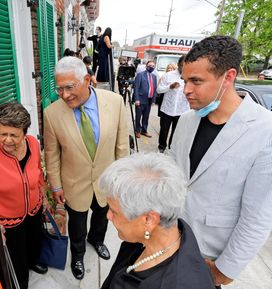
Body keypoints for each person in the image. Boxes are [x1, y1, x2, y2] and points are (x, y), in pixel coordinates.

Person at [171, 35, 272, 288]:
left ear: (227, 77)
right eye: (184, 80)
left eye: (196, 81)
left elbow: (257, 216)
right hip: (169, 245)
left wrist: (223, 271)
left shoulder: (265, 131)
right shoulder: (186, 120)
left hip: (208, 260)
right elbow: (172, 173)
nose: (186, 90)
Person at [44, 56, 129, 280]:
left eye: (69, 87)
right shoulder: (51, 114)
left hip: (106, 181)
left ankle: (97, 240)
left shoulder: (115, 102)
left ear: (88, 80)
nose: (64, 95)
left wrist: (121, 180)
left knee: (102, 217)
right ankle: (78, 254)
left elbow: (122, 146)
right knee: (77, 225)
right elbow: (51, 154)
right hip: (74, 183)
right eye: (59, 89)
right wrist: (55, 186)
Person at [99, 153, 215, 289]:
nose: (108, 216)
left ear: (149, 220)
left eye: (114, 211)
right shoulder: (141, 239)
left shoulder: (177, 283)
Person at [0, 102, 48, 289]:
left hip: (34, 208)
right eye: (2, 133)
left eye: (14, 135)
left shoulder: (32, 143)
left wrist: (43, 196)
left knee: (34, 241)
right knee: (16, 259)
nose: (7, 140)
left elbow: (38, 172)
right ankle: (21, 283)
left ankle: (34, 261)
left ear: (24, 133)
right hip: (8, 218)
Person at [157, 57, 189, 153]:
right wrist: (169, 87)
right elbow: (159, 89)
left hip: (182, 110)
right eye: (182, 65)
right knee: (164, 131)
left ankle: (172, 149)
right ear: (178, 64)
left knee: (177, 132)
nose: (183, 68)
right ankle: (161, 148)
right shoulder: (168, 75)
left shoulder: (190, 76)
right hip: (167, 109)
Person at [133, 60, 157, 138]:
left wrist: (153, 100)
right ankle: (137, 130)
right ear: (146, 66)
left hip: (149, 100)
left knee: (146, 117)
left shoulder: (154, 77)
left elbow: (154, 89)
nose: (151, 67)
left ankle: (144, 130)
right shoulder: (140, 75)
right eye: (150, 65)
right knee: (138, 116)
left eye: (153, 66)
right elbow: (136, 88)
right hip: (140, 99)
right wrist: (136, 99)